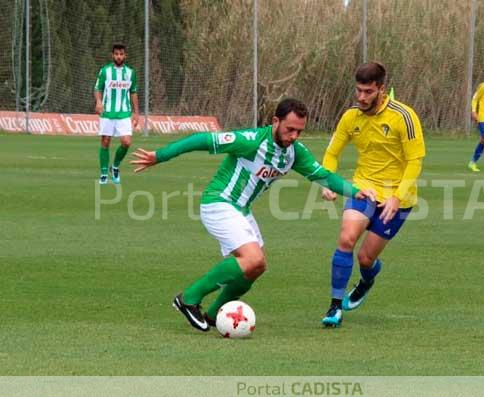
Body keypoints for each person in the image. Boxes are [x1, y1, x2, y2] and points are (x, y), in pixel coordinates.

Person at [130, 98, 375, 332]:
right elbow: (202, 139)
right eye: (290, 129)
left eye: (299, 131)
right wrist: (160, 156)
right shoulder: (250, 141)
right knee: (252, 258)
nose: (294, 136)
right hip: (219, 203)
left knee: (256, 268)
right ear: (275, 121)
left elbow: (323, 175)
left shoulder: (294, 152)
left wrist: (355, 192)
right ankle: (188, 298)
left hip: (241, 211)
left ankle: (214, 314)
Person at [319, 62, 426, 327]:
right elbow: (332, 153)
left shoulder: (404, 116)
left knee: (366, 258)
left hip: (398, 198)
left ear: (381, 88)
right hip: (364, 189)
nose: (361, 97)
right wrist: (327, 181)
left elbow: (415, 160)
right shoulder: (350, 117)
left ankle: (367, 279)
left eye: (368, 91)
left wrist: (397, 197)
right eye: (358, 91)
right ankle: (334, 307)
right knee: (346, 239)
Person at [94, 43, 139, 184]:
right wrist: (98, 102)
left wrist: (136, 112)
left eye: (121, 54)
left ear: (125, 55)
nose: (119, 56)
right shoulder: (105, 71)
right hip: (107, 113)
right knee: (105, 142)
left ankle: (115, 166)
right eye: (116, 54)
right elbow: (98, 88)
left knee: (126, 142)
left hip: (124, 113)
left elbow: (133, 92)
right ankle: (103, 173)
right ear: (112, 55)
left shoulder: (131, 73)